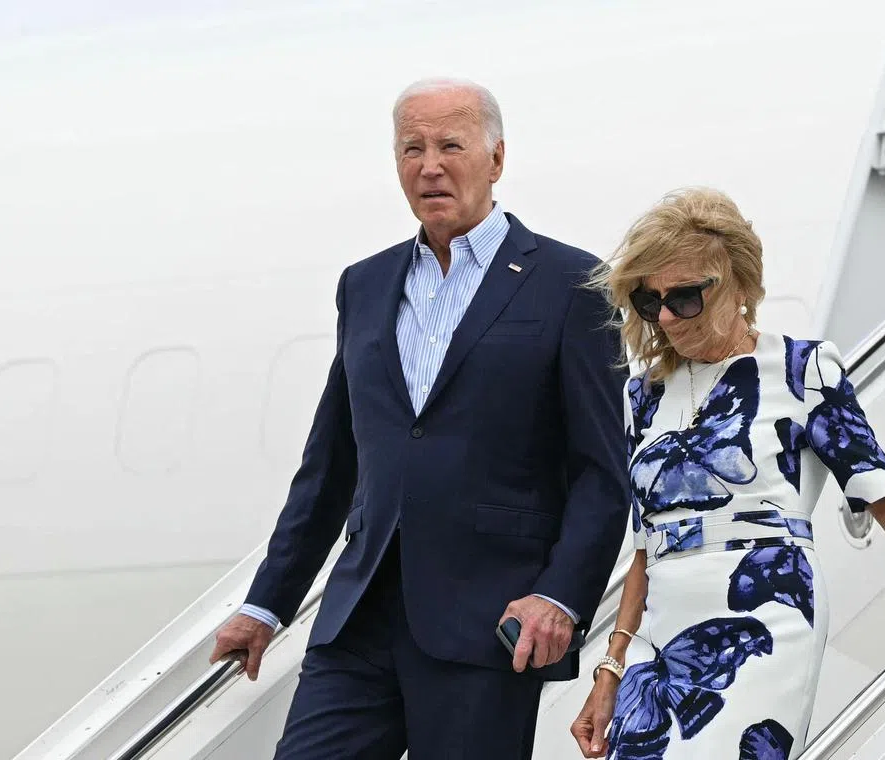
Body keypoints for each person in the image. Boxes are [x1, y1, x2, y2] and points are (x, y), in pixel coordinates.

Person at [209, 77, 631, 759]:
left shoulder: (570, 285)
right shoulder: (365, 284)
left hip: (490, 624)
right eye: (412, 148)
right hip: (359, 619)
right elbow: (331, 465)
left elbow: (603, 472)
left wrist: (561, 595)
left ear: (496, 160)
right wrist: (266, 604)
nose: (429, 165)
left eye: (450, 145)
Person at [570, 188, 885, 760]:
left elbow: (878, 484)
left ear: (737, 285)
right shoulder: (643, 396)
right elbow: (643, 547)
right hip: (661, 634)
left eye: (684, 298)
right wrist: (610, 669)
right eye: (648, 300)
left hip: (767, 612)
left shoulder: (801, 368)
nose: (664, 316)